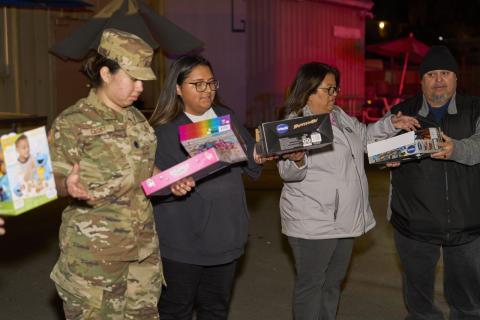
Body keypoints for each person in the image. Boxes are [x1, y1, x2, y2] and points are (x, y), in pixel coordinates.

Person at [277, 62, 419, 320]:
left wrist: (391, 123)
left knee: (332, 284)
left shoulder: (338, 115)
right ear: (308, 90)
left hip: (345, 218)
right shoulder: (295, 124)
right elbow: (288, 174)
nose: (334, 95)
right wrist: (296, 159)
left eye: (335, 89)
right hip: (313, 221)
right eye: (328, 89)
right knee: (312, 286)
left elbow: (364, 138)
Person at [49, 28, 174, 319]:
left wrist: (171, 180)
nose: (140, 88)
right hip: (95, 260)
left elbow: (143, 169)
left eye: (143, 80)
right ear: (106, 74)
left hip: (142, 253)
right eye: (133, 79)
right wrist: (66, 184)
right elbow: (50, 179)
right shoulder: (73, 122)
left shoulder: (136, 118)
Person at [149, 55, 267, 320]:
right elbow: (155, 186)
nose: (207, 90)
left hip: (226, 234)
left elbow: (250, 163)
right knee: (175, 311)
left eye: (211, 82)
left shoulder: (226, 117)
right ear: (178, 89)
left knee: (216, 310)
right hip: (184, 242)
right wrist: (172, 186)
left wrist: (259, 155)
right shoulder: (163, 131)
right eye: (198, 84)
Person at [388, 45, 480, 319]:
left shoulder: (475, 108)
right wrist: (385, 157)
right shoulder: (402, 112)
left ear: (455, 78)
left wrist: (457, 150)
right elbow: (378, 147)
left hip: (468, 223)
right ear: (421, 80)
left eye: (445, 73)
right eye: (431, 74)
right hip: (415, 225)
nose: (439, 80)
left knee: (469, 305)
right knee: (419, 306)